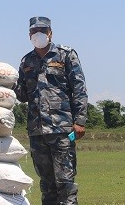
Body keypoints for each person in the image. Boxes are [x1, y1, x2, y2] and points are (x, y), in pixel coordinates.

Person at [13, 16, 88, 205]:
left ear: (50, 33)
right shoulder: (26, 62)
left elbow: (79, 89)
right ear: (29, 34)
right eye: (34, 31)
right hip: (37, 132)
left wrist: (79, 121)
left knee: (65, 183)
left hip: (62, 130)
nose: (38, 34)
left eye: (42, 30)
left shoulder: (65, 55)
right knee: (47, 185)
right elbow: (22, 95)